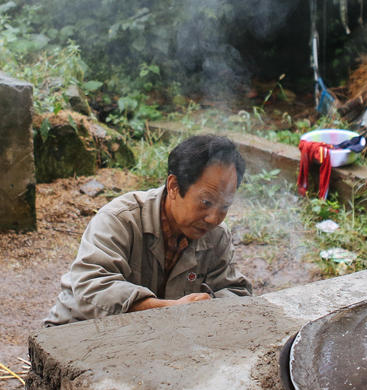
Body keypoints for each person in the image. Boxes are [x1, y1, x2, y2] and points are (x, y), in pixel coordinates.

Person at [44, 135, 252, 326]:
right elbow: (92, 288)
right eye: (206, 202)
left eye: (225, 206)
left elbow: (237, 292)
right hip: (77, 334)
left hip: (146, 340)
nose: (213, 218)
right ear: (173, 186)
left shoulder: (216, 235)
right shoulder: (120, 219)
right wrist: (169, 309)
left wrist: (210, 302)